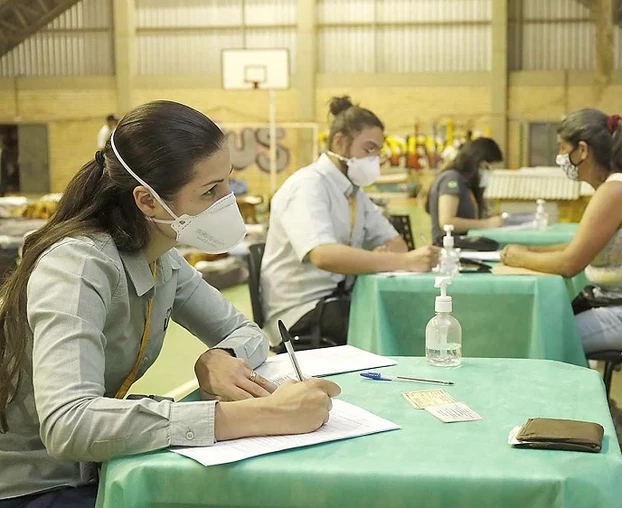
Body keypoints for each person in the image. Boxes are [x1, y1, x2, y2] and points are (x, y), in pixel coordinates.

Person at [0, 100, 341, 507]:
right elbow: (68, 424)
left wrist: (218, 357)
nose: (226, 201)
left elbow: (245, 332)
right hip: (36, 486)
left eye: (227, 183)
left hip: (96, 467)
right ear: (147, 201)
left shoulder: (161, 258)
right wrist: (266, 415)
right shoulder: (77, 267)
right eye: (209, 191)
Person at [261, 96, 439, 349]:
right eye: (368, 149)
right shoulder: (307, 186)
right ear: (339, 142)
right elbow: (323, 255)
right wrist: (404, 262)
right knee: (400, 324)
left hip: (339, 299)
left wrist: (385, 257)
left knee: (407, 310)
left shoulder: (354, 193)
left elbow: (395, 243)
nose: (374, 159)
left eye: (378, 151)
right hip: (302, 311)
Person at [501, 111, 622, 354]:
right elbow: (579, 245)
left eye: (563, 149)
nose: (560, 157)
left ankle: (567, 392)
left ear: (582, 150)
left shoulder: (615, 191)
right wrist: (530, 251)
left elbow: (569, 264)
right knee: (543, 328)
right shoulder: (620, 185)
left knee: (538, 340)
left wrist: (515, 257)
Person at [426, 137, 505, 244]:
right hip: (448, 246)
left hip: (465, 242)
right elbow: (447, 221)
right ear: (475, 161)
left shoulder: (467, 184)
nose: (488, 172)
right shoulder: (451, 179)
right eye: (486, 167)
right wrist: (487, 224)